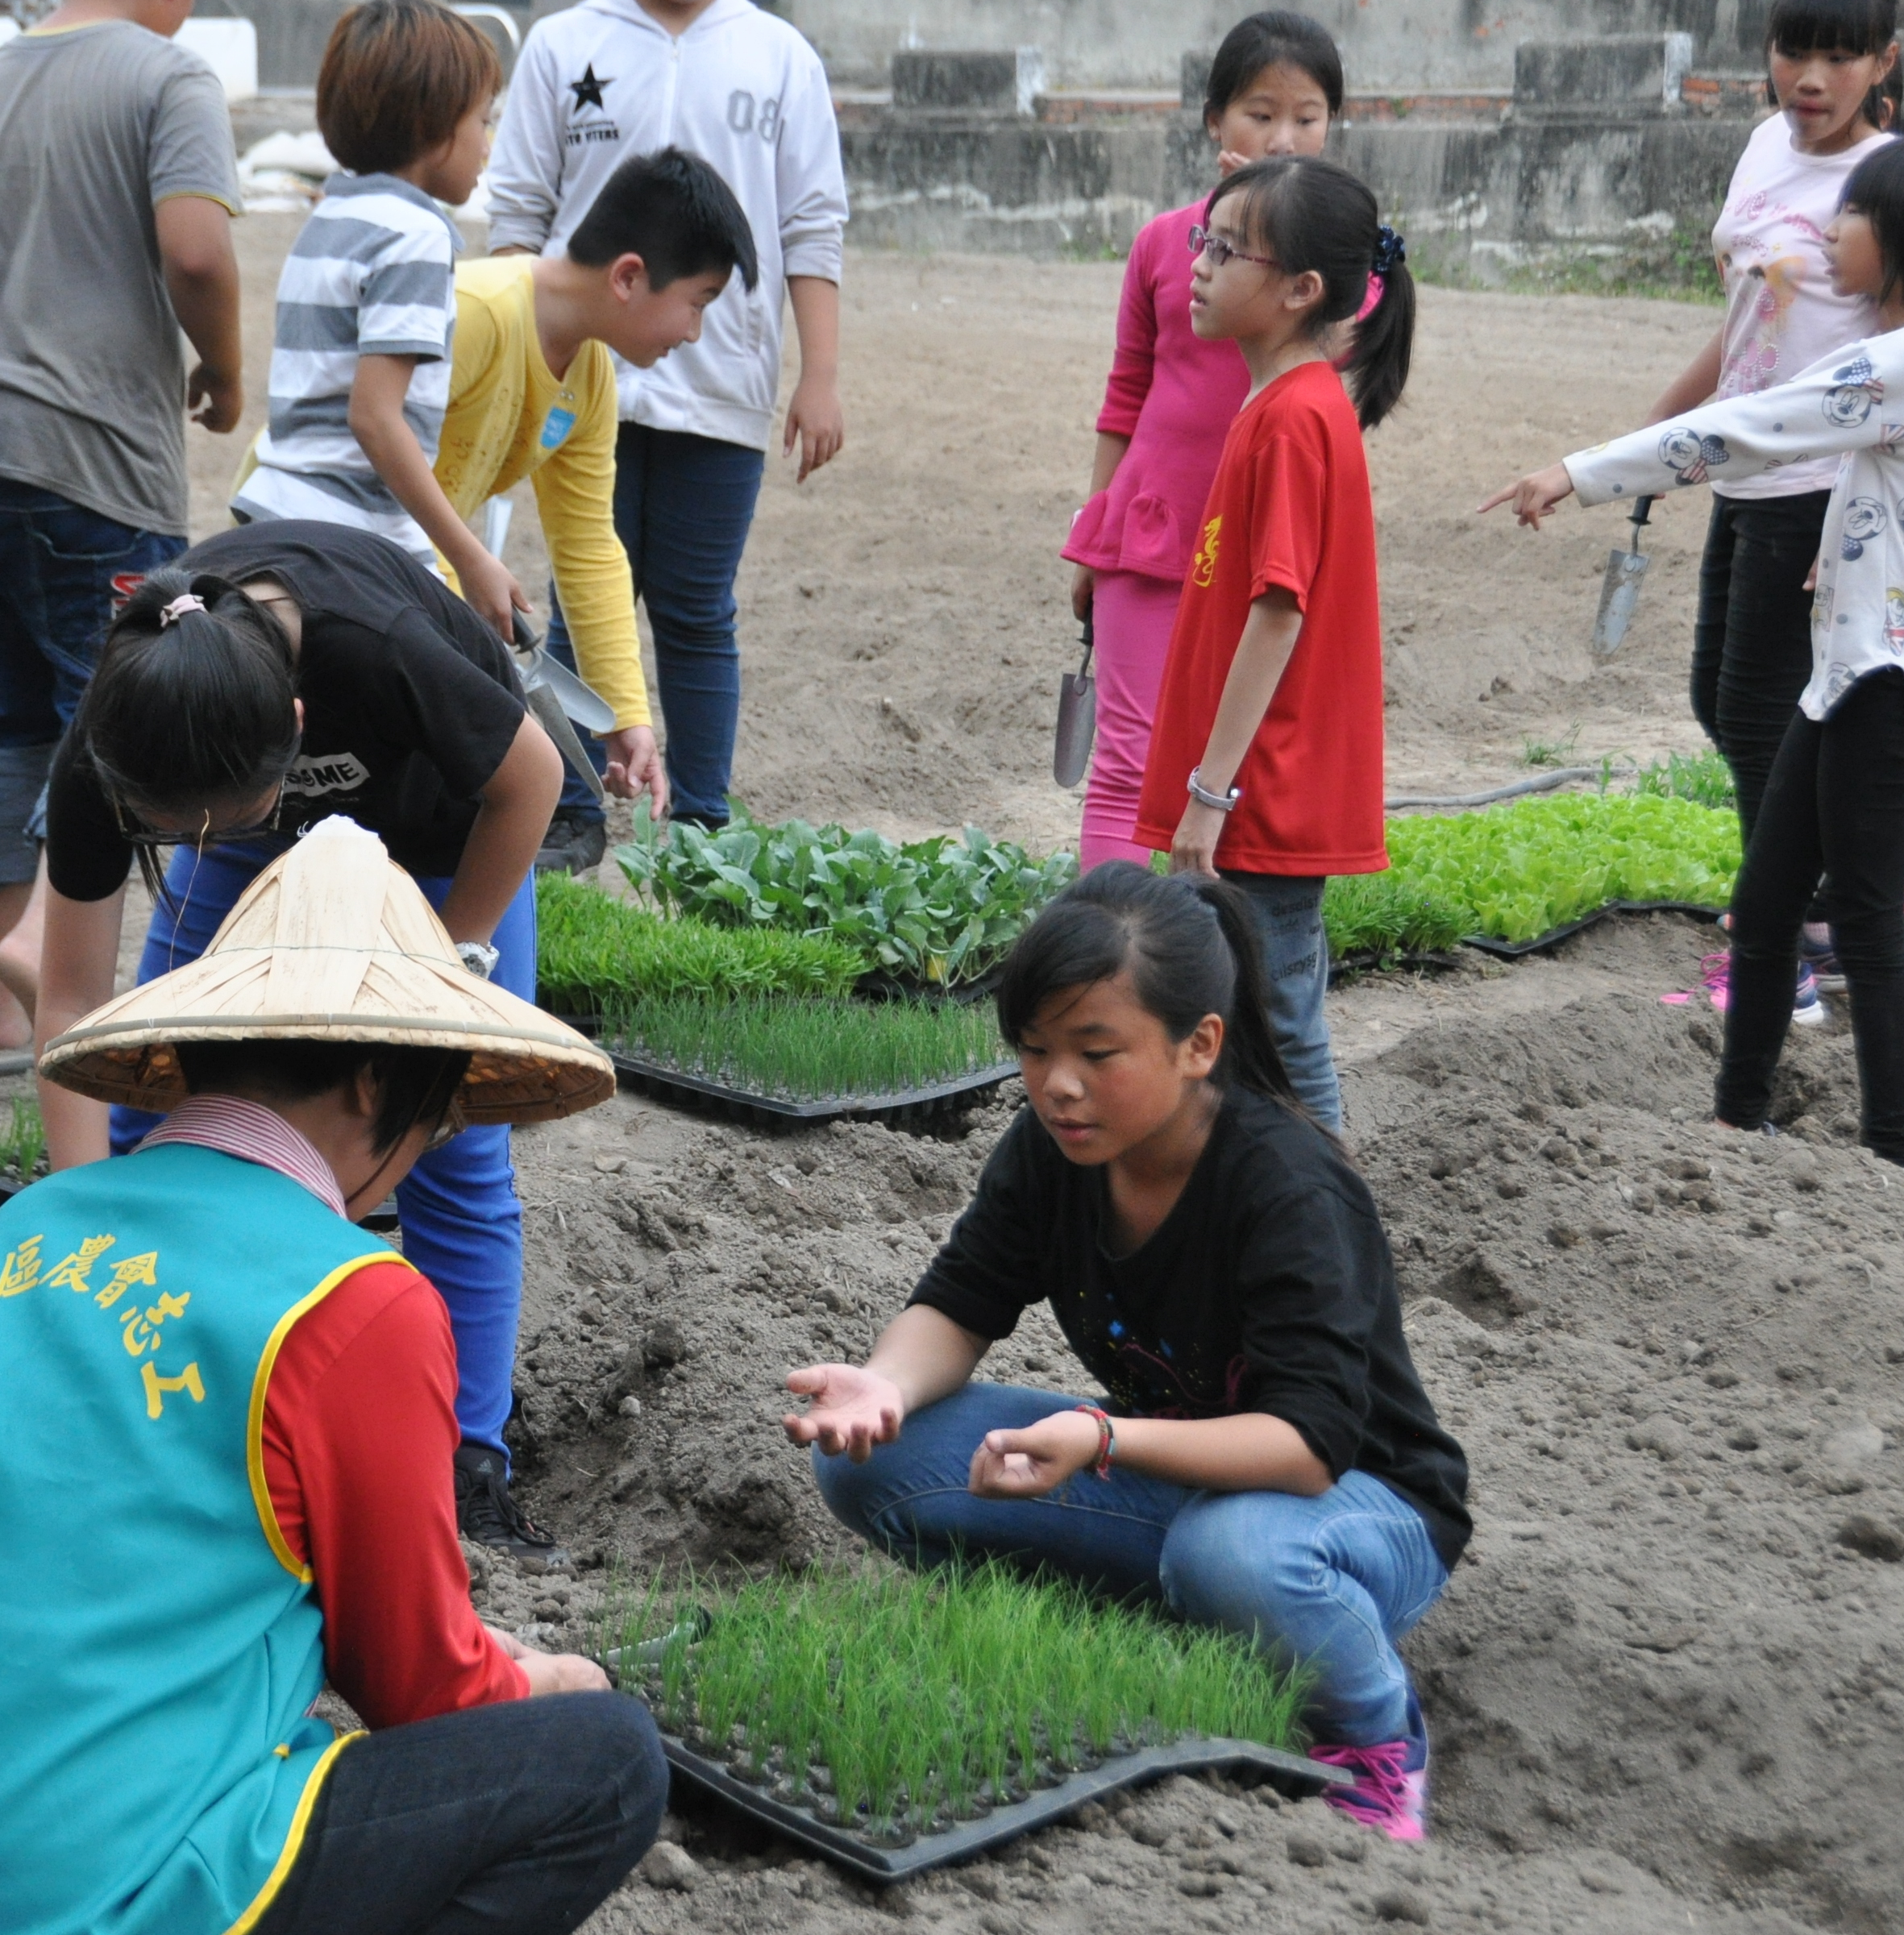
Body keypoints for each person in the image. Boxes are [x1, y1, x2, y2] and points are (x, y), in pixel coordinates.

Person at [0, 818, 661, 1935]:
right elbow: (420, 1689)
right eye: (436, 1116)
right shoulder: (356, 1300)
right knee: (605, 1764)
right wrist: (548, 1681)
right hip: (23, 1896)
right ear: (378, 1081)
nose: (429, 1146)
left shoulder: (28, 1225)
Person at [782, 864, 1470, 1843]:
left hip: (1359, 1506)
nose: (1058, 1084)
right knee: (873, 1461)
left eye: (1096, 1052)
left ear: (1199, 1045)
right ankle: (1163, 1626)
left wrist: (1102, 1435)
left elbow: (1308, 1443)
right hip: (1187, 1478)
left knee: (1228, 1551)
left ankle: (1371, 1733)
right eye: (1034, 1049)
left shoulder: (1286, 1187)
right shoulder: (1052, 1150)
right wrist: (881, 1388)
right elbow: (960, 1300)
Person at [32, 525, 574, 1560]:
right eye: (169, 831)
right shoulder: (126, 740)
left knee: (447, 1144)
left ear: (291, 724)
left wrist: (451, 974)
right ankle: (175, 1381)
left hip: (450, 834)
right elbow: (73, 1012)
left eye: (206, 823)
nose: (179, 841)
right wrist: (80, 1226)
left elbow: (533, 779)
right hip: (249, 831)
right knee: (165, 1087)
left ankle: (466, 1458)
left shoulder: (375, 645)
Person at [1482, 136, 1904, 1176]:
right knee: (1768, 904)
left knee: (1864, 922)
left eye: (1847, 218)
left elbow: (1752, 427)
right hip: (1847, 669)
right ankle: (1737, 1121)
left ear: (1900, 241)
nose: (1826, 232)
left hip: (1888, 686)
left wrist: (1575, 473)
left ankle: (1891, 1160)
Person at [0, 0, 244, 1051]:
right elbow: (194, 251)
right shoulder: (166, 77)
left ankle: (5, 1008)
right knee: (115, 727)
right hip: (87, 458)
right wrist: (224, 369)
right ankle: (57, 972)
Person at [484, 0, 850, 859]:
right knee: (579, 595)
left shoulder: (780, 55)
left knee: (695, 607)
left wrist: (820, 375)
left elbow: (811, 221)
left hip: (721, 383)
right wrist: (520, 363)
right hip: (576, 377)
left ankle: (700, 822)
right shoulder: (564, 43)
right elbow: (518, 216)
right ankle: (566, 809)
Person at [1612, 0, 1904, 1026]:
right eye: (1796, 51)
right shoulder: (1759, 147)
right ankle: (1835, 899)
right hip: (1741, 470)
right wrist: (1653, 439)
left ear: (1885, 60)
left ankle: (1776, 960)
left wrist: (1858, 530)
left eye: (1841, 56)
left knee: (1753, 716)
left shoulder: (1890, 184)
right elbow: (1747, 325)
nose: (1812, 78)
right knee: (1720, 699)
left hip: (1821, 487)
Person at [1133, 157, 1418, 1130]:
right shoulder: (1276, 404)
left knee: (1282, 1021)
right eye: (1198, 243)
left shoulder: (1294, 418)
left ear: (1300, 290)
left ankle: (1330, 1231)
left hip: (1266, 790)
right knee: (1256, 1018)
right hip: (1259, 786)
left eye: (1224, 248)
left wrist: (1210, 791)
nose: (1199, 267)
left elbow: (1277, 611)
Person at [1066, 11, 1342, 871]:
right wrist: (1094, 529)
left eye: (1307, 117)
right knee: (1125, 764)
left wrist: (1275, 239)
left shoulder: (1335, 258)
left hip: (1263, 554)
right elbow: (1126, 397)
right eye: (1260, 114)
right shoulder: (1162, 242)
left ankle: (1206, 970)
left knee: (1235, 767)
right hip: (1150, 534)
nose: (1283, 137)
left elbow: (1345, 373)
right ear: (1214, 121)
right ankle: (1104, 971)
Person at [422, 147, 759, 820]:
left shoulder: (590, 376)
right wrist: (458, 577)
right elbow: (364, 461)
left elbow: (586, 546)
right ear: (629, 277)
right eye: (698, 304)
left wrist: (624, 715)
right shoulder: (479, 312)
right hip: (349, 567)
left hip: (418, 590)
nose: (694, 333)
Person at [233, 1, 507, 614]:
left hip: (279, 509)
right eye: (482, 122)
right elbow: (376, 418)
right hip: (350, 535)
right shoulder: (416, 234)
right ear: (436, 129)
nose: (487, 145)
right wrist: (470, 556)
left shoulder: (329, 216)